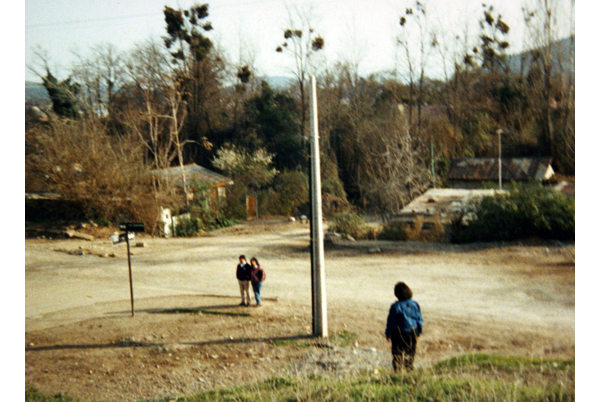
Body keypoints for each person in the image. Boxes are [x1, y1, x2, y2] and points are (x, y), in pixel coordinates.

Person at [385, 281, 423, 371]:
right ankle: (409, 371)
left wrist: (388, 334)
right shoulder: (415, 304)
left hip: (399, 334)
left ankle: (397, 373)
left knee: (397, 354)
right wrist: (419, 331)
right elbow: (419, 319)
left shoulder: (395, 306)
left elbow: (391, 322)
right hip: (412, 332)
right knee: (410, 354)